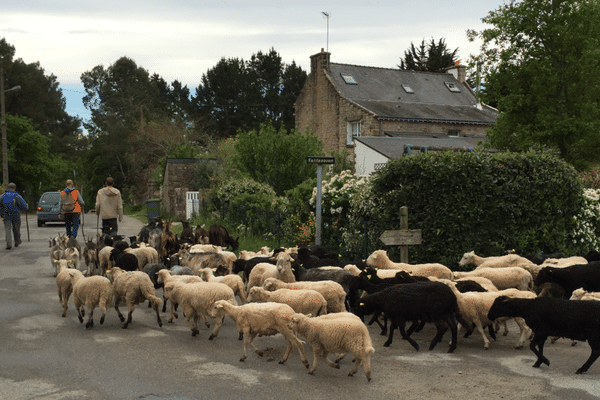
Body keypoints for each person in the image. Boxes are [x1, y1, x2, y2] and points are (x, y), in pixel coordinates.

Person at [1, 182, 28, 250]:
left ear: (8, 188)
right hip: (16, 215)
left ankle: (9, 244)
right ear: (15, 188)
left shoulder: (3, 196)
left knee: (7, 229)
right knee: (16, 229)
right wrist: (26, 207)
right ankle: (17, 241)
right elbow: (24, 206)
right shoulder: (17, 196)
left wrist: (1, 213)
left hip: (6, 215)